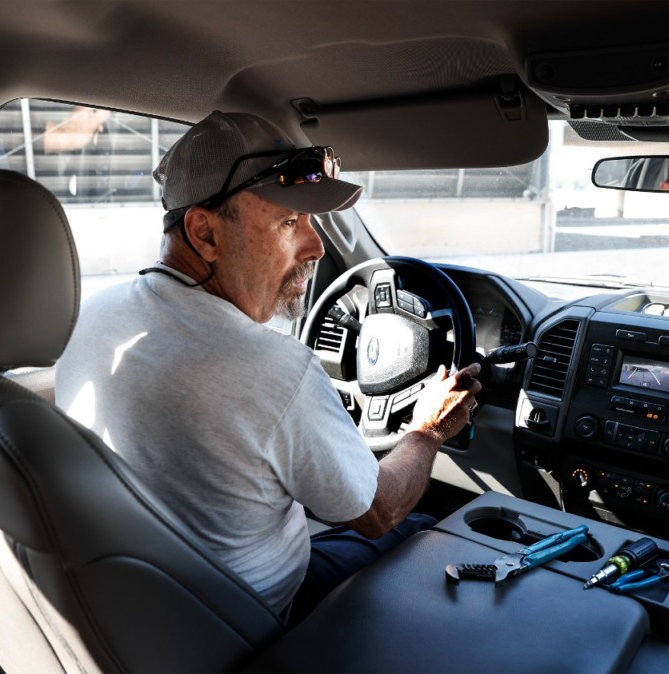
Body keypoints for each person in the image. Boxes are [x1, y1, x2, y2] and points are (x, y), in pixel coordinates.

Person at [55, 110, 481, 624]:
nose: (316, 245)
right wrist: (428, 431)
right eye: (289, 222)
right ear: (204, 233)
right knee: (429, 528)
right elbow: (379, 512)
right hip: (254, 624)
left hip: (154, 613)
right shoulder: (273, 367)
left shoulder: (99, 313)